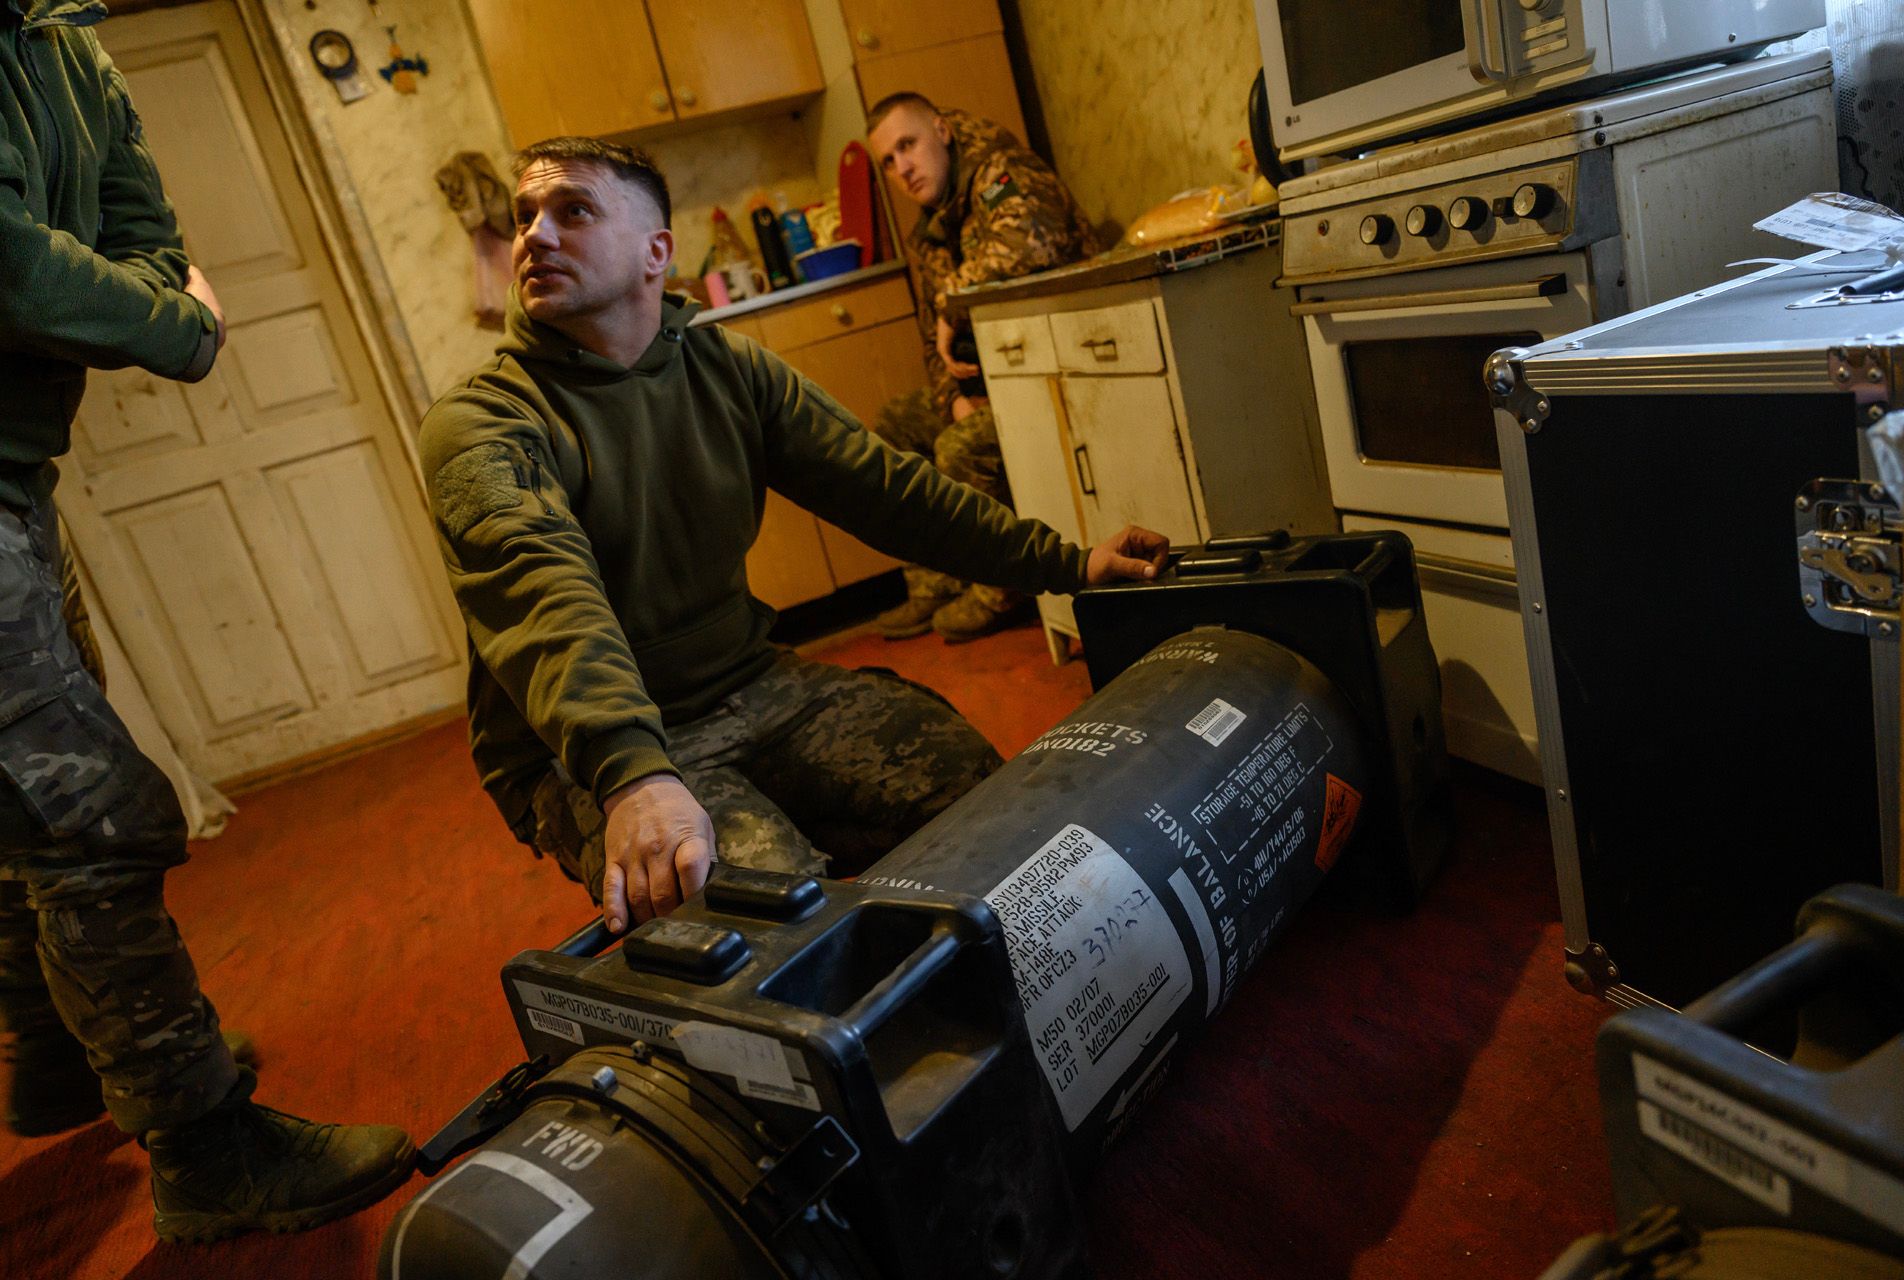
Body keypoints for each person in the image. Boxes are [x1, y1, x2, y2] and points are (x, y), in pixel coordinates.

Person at [419, 136, 1167, 935]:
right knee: (773, 921)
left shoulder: (729, 369)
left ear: (655, 253)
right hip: (586, 749)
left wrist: (1069, 563)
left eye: (573, 211)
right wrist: (632, 776)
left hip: (750, 682)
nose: (534, 235)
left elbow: (889, 492)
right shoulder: (480, 424)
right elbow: (548, 605)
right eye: (526, 215)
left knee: (976, 792)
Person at [0, 0, 412, 1242]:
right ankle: (203, 1143)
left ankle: (58, 1054)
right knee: (86, 809)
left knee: (23, 800)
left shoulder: (68, 42)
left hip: (17, 474)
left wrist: (135, 296)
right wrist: (176, 319)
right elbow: (18, 266)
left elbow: (146, 232)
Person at [865, 92, 1102, 643]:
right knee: (895, 427)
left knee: (960, 447)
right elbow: (931, 339)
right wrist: (952, 398)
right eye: (889, 161)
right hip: (990, 383)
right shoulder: (931, 227)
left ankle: (1000, 588)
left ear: (942, 130)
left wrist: (952, 300)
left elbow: (1033, 238)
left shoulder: (1000, 172)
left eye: (908, 145)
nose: (903, 167)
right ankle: (935, 584)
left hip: (1055, 371)